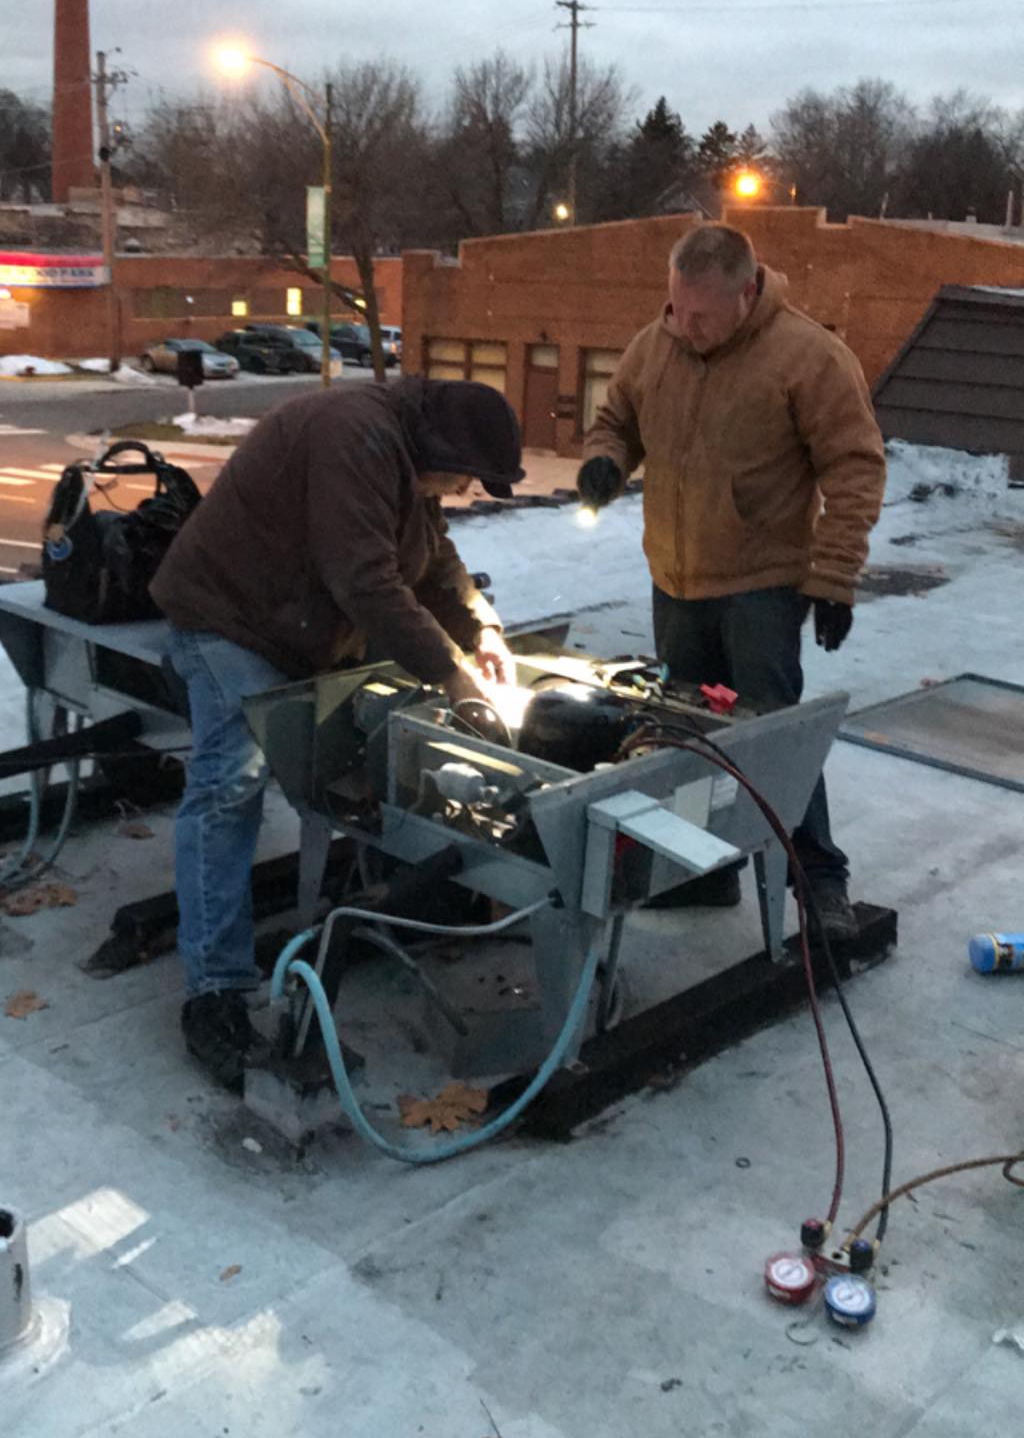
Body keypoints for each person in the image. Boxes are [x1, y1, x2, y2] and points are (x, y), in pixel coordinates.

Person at [151, 374, 523, 1090]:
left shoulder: (405, 458)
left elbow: (434, 559)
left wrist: (482, 629)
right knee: (233, 781)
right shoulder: (355, 435)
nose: (464, 492)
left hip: (297, 623)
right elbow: (366, 580)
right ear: (443, 447)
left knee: (373, 737)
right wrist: (452, 674)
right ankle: (214, 995)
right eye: (467, 479)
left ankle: (388, 891)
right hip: (229, 617)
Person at [577, 223, 885, 942]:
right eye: (677, 310)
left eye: (704, 316)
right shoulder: (656, 345)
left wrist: (834, 576)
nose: (687, 328)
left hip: (760, 586)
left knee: (774, 741)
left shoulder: (808, 357)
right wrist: (604, 461)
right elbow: (615, 420)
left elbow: (855, 466)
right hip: (676, 581)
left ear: (748, 293)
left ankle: (821, 883)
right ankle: (704, 871)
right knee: (683, 737)